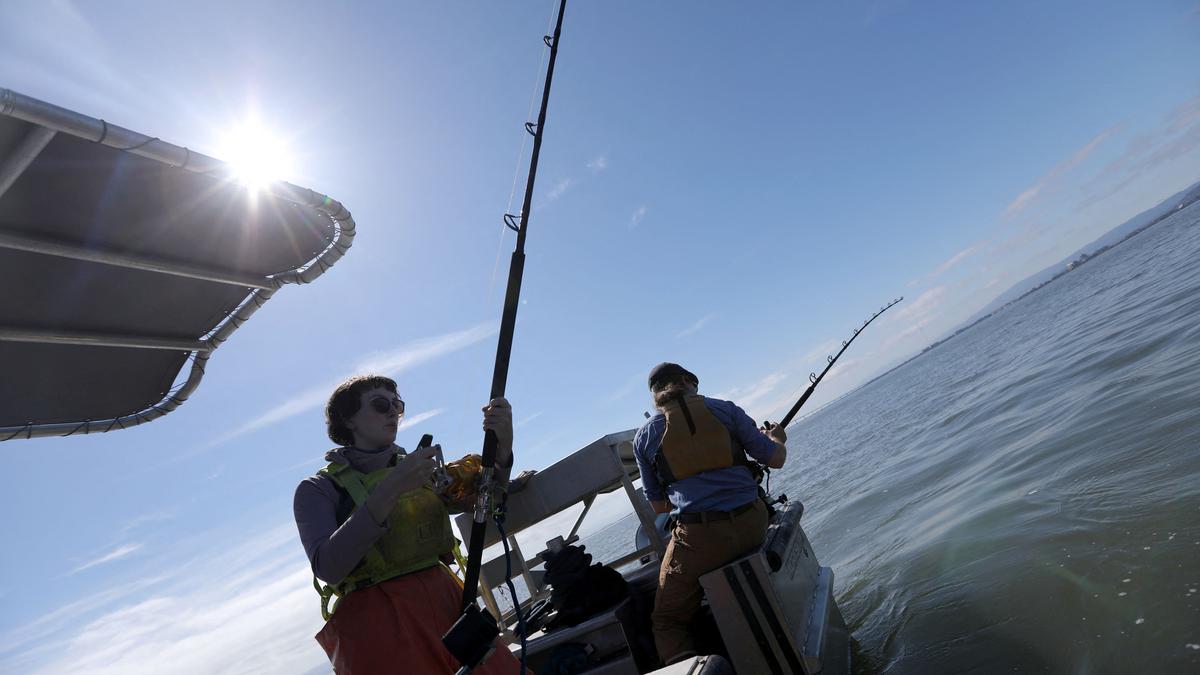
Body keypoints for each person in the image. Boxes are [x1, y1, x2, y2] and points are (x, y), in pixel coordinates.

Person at [293, 374, 525, 674]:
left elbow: (487, 501)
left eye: (397, 405)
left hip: (450, 606)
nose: (393, 411)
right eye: (380, 404)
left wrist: (504, 446)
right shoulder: (317, 489)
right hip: (378, 629)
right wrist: (392, 487)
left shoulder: (421, 470)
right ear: (348, 420)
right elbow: (328, 566)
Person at [632, 362, 787, 666]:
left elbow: (660, 508)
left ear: (655, 396)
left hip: (701, 541)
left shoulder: (645, 436)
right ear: (690, 382)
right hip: (752, 523)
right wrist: (777, 438)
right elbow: (776, 458)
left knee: (667, 621)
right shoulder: (725, 410)